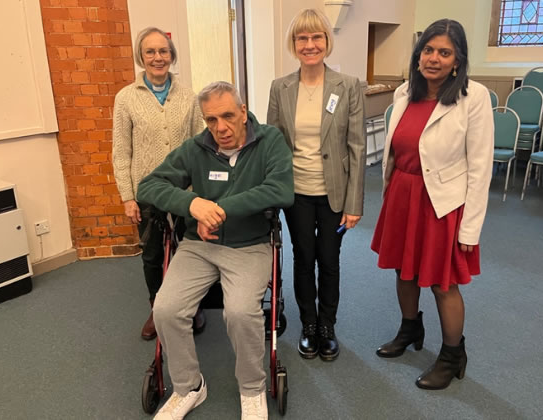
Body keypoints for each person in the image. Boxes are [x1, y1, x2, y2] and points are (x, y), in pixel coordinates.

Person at [137, 81, 294, 420]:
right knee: (165, 309)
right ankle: (188, 386)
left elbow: (280, 190)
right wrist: (192, 204)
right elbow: (148, 185)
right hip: (199, 246)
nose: (220, 128)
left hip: (249, 246)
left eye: (227, 116)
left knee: (240, 312)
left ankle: (252, 389)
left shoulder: (270, 141)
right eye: (210, 120)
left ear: (242, 111)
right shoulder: (195, 148)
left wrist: (218, 209)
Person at [371, 19, 493, 390]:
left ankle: (453, 354)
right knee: (403, 271)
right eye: (428, 50)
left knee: (442, 283)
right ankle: (410, 328)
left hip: (442, 204)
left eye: (444, 52)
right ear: (418, 54)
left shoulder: (474, 97)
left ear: (457, 61)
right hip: (403, 196)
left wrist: (470, 228)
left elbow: (480, 167)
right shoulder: (406, 92)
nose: (434, 58)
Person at [267, 8, 365, 362]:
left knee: (330, 259)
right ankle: (308, 325)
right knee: (303, 258)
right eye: (302, 38)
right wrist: (272, 194)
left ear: (327, 41)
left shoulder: (348, 86)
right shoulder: (281, 87)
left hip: (334, 193)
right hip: (297, 193)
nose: (310, 45)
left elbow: (356, 145)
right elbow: (274, 144)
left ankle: (328, 326)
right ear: (294, 45)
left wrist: (354, 203)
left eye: (316, 37)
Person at [112, 27, 206, 340]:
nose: (157, 58)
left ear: (172, 55)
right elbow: (121, 152)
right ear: (141, 57)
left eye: (163, 51)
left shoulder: (189, 96)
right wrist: (128, 196)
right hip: (147, 192)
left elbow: (199, 144)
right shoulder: (126, 98)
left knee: (191, 250)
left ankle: (192, 306)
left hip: (184, 191)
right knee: (152, 253)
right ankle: (156, 308)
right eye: (150, 52)